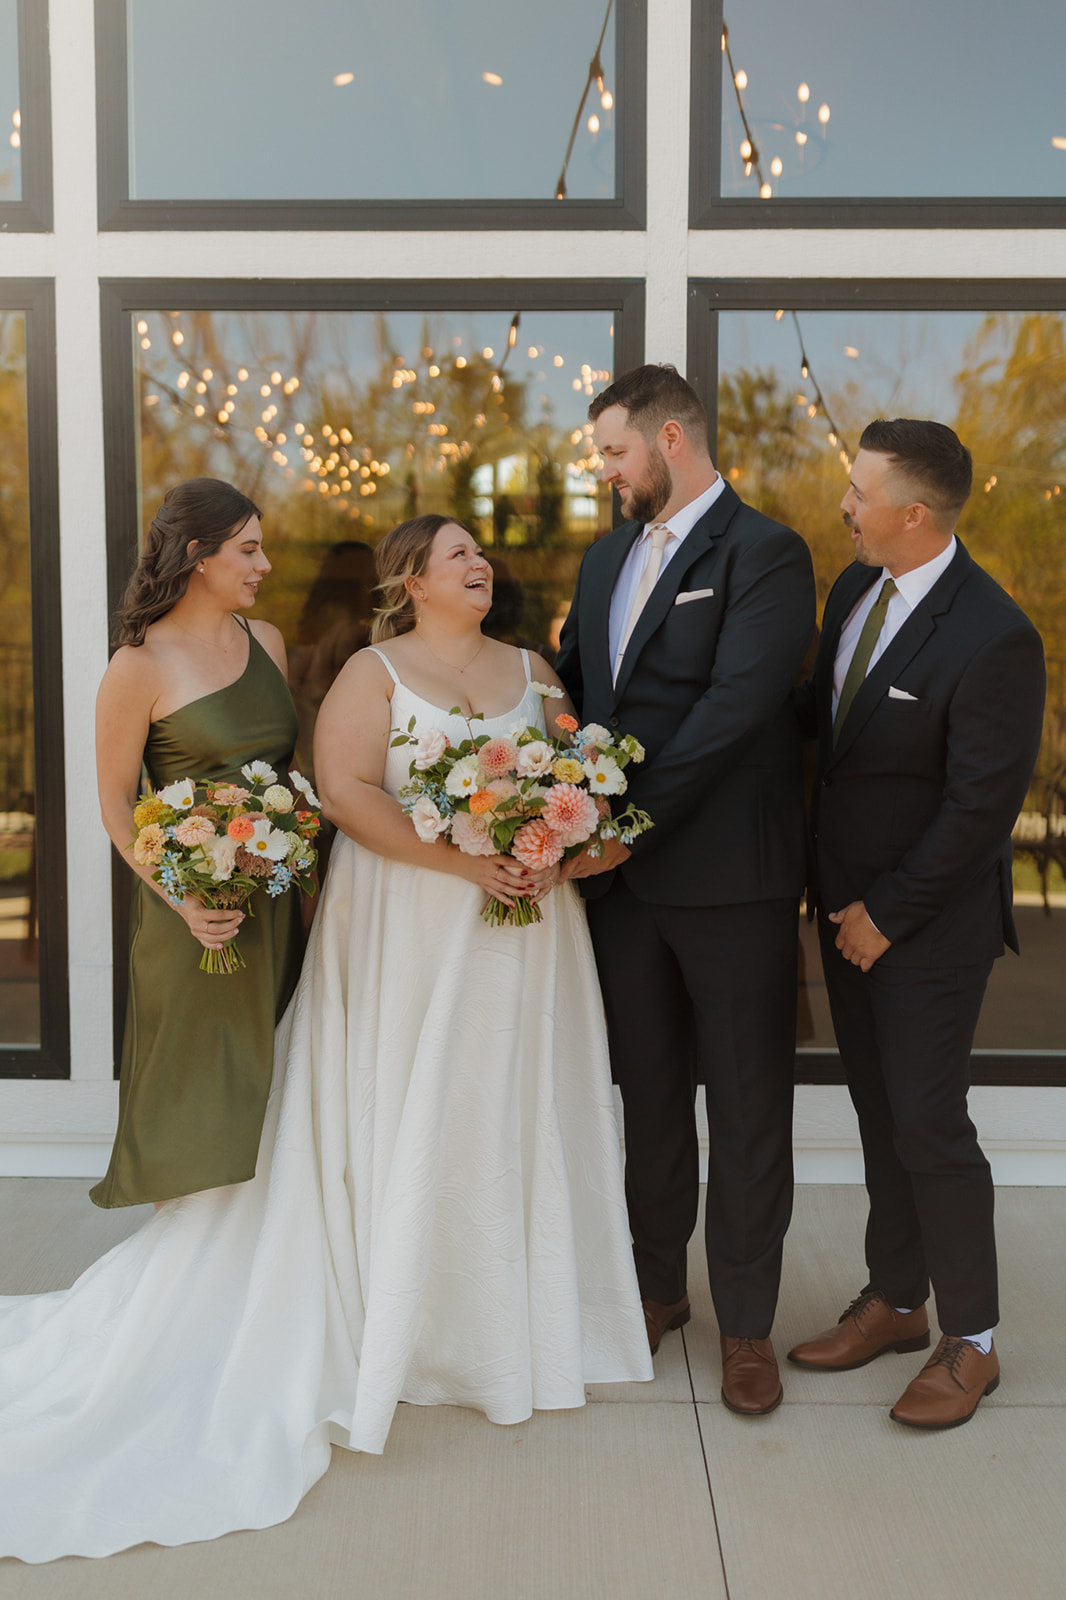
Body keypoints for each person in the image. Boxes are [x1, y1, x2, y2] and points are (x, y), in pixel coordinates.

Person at [0, 513, 650, 1563]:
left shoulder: (535, 666)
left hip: (525, 935)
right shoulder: (368, 671)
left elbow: (573, 778)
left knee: (509, 1107)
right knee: (402, 1105)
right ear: (408, 582)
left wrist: (559, 850)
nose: (480, 563)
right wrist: (465, 863)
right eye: (457, 555)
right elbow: (344, 794)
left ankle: (502, 1323)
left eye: (482, 552)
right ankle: (396, 1315)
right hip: (409, 925)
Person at [555, 364, 816, 1416]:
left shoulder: (766, 552)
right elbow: (581, 696)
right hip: (621, 893)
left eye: (613, 453)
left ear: (671, 438)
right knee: (649, 1098)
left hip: (730, 880)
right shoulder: (602, 557)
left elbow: (736, 707)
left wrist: (621, 824)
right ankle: (655, 1289)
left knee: (748, 1107)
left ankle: (745, 1323)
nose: (606, 474)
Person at [788, 419, 1045, 1429]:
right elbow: (827, 729)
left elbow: (980, 808)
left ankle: (970, 1339)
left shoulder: (996, 636)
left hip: (924, 930)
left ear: (914, 514)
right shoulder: (854, 589)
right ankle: (897, 1298)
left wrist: (885, 915)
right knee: (877, 1118)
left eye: (857, 491)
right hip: (843, 911)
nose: (843, 506)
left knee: (930, 1126)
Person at [92, 477, 303, 1207]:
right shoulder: (138, 664)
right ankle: (180, 1263)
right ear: (198, 555)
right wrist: (184, 901)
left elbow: (290, 779)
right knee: (192, 1098)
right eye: (249, 549)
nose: (264, 565)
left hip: (274, 908)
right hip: (193, 920)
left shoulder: (267, 641)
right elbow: (118, 805)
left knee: (275, 1086)